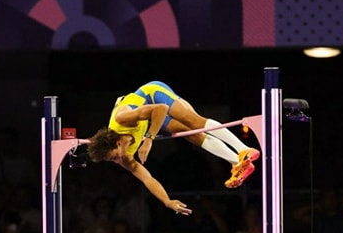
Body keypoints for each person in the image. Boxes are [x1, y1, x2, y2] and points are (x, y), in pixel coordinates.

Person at [87, 81, 259, 213]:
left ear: (117, 143)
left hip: (154, 95)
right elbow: (148, 179)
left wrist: (149, 138)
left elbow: (160, 109)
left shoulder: (122, 119)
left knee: (194, 122)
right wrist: (167, 201)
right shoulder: (126, 157)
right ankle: (236, 161)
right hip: (150, 117)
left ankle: (243, 148)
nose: (118, 161)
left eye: (114, 157)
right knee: (193, 135)